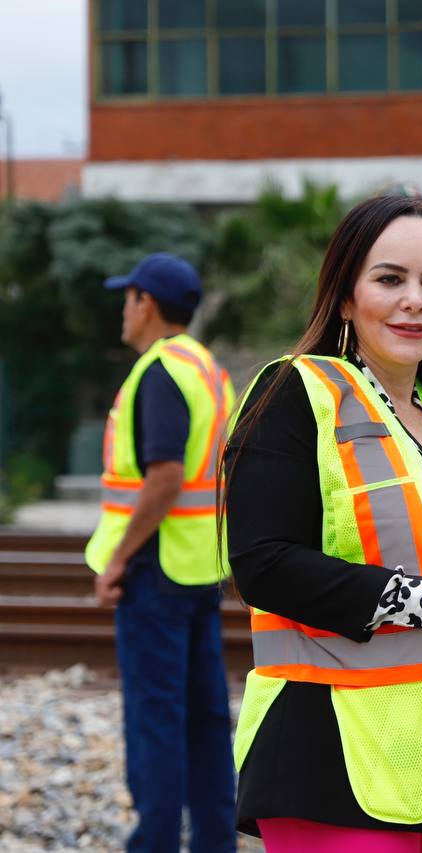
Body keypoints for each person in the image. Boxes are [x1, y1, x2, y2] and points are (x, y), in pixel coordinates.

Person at [221, 195, 422, 852]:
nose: (415, 301)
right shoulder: (296, 393)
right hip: (336, 747)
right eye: (390, 279)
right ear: (345, 297)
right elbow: (263, 563)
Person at [84, 252, 238, 852]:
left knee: (155, 720)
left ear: (145, 303)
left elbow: (166, 477)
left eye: (127, 298)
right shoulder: (207, 369)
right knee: (204, 719)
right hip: (199, 569)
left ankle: (152, 843)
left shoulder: (157, 372)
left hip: (155, 572)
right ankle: (213, 841)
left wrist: (117, 559)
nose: (123, 310)